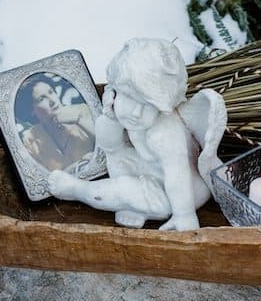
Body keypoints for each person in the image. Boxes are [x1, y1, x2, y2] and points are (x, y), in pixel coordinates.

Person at [47, 39, 226, 231]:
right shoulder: (128, 115)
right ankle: (136, 206)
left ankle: (79, 190)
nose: (135, 112)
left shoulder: (163, 133)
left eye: (148, 106)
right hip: (147, 170)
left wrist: (184, 215)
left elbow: (177, 175)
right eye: (130, 97)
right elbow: (110, 147)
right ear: (115, 90)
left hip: (176, 194)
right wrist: (110, 117)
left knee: (115, 191)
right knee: (117, 153)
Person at [15, 75, 96, 173]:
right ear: (31, 111)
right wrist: (76, 167)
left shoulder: (83, 110)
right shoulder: (30, 139)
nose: (52, 101)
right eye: (41, 99)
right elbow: (42, 179)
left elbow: (109, 143)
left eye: (51, 92)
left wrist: (79, 120)